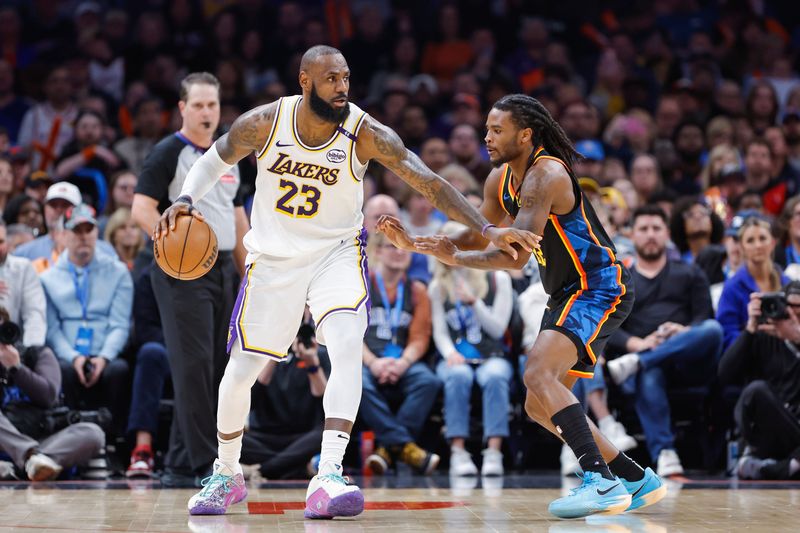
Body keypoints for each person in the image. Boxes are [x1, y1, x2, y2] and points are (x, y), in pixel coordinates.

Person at [155, 46, 536, 519]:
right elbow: (215, 158)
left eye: (346, 78)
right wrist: (187, 197)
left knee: (345, 344)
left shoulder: (364, 132)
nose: (342, 88)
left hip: (336, 254)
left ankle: (329, 472)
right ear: (305, 80)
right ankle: (227, 473)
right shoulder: (265, 122)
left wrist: (489, 228)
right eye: (331, 79)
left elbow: (430, 183)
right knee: (242, 368)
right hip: (274, 259)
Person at [380, 94, 665, 518]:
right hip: (566, 290)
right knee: (537, 403)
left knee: (538, 373)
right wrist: (416, 245)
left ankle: (600, 481)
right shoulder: (499, 179)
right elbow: (481, 235)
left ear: (525, 134)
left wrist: (451, 258)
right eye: (487, 128)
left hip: (597, 285)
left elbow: (513, 258)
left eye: (497, 129)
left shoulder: (545, 174)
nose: (487, 136)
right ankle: (634, 478)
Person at [131, 72, 248, 488]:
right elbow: (142, 208)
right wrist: (172, 241)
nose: (205, 112)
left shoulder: (230, 155)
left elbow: (237, 220)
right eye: (197, 105)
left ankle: (181, 462)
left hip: (222, 274)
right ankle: (206, 465)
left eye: (212, 105)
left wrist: (251, 274)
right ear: (182, 108)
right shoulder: (168, 152)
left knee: (217, 368)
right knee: (193, 364)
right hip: (180, 271)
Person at [605, 205, 723, 477]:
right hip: (646, 361)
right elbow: (609, 327)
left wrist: (682, 331)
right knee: (649, 373)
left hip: (688, 363)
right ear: (632, 235)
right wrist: (636, 344)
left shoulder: (690, 273)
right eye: (643, 229)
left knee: (713, 330)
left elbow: (703, 318)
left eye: (656, 229)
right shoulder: (621, 279)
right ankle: (665, 454)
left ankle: (637, 362)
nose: (650, 235)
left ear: (667, 234)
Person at [428, 225, 514, 477]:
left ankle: (494, 451)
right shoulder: (438, 286)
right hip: (457, 357)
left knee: (495, 376)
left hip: (491, 356)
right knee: (458, 376)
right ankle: (458, 451)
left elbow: (498, 329)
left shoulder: (499, 279)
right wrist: (448, 353)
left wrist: (475, 303)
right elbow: (440, 331)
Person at [39, 204, 132, 434]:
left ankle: (115, 444)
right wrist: (74, 358)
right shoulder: (48, 278)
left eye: (88, 229)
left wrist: (104, 357)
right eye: (76, 230)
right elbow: (52, 330)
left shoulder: (118, 272)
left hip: (105, 352)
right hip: (68, 354)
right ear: (63, 235)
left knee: (118, 370)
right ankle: (68, 439)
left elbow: (120, 324)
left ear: (96, 233)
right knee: (61, 369)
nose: (83, 236)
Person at [360, 231, 440, 476]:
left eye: (404, 247)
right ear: (376, 252)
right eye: (391, 246)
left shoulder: (417, 291)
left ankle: (387, 449)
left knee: (428, 380)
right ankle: (405, 447)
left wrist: (403, 362)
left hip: (402, 362)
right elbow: (350, 335)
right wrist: (373, 363)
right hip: (366, 359)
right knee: (356, 382)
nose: (399, 251)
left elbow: (420, 337)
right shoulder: (362, 286)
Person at [0, 308, 105, 481]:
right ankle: (30, 461)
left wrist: (16, 368)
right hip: (5, 443)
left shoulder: (37, 355)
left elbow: (49, 397)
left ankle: (24, 466)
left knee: (92, 433)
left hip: (43, 439)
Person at [719, 285, 800, 480]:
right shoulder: (763, 334)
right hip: (771, 426)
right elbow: (724, 375)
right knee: (756, 390)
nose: (793, 313)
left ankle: (782, 467)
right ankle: (790, 466)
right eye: (789, 306)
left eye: (799, 307)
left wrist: (797, 337)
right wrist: (750, 328)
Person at [241, 317, 331, 480]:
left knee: (328, 432)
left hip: (302, 438)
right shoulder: (258, 351)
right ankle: (297, 467)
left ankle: (264, 470)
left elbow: (327, 405)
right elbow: (249, 403)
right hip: (264, 437)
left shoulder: (320, 352)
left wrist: (311, 364)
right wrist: (273, 355)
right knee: (220, 432)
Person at [717, 216, 788, 350]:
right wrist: (750, 331)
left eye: (762, 238)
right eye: (750, 240)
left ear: (772, 243)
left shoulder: (787, 281)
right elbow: (727, 335)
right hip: (750, 358)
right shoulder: (732, 287)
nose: (758, 245)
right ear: (742, 247)